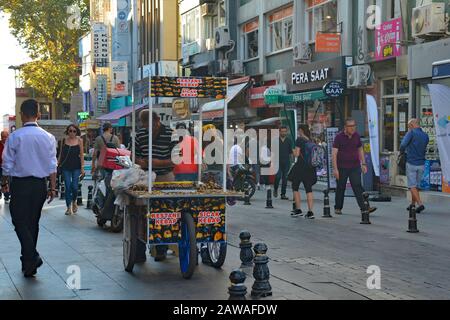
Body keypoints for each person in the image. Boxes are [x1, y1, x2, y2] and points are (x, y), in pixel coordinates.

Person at [1, 99, 57, 278]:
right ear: (38, 115)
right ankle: (29, 264)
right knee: (33, 222)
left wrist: (4, 183)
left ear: (22, 115)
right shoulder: (48, 137)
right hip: (40, 185)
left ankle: (32, 256)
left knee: (19, 221)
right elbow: (52, 165)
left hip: (20, 184)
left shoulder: (15, 137)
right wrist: (53, 188)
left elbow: (7, 164)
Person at [135, 110, 176, 262]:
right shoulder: (140, 135)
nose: (147, 127)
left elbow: (176, 158)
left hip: (165, 176)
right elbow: (135, 156)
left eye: (150, 124)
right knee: (141, 211)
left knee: (164, 212)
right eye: (144, 124)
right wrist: (141, 162)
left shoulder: (171, 133)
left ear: (157, 120)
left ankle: (161, 247)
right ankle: (139, 248)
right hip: (146, 178)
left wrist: (158, 163)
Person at [332, 118, 376, 215]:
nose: (352, 128)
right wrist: (335, 169)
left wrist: (363, 163)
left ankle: (365, 207)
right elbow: (334, 153)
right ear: (345, 127)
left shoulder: (356, 136)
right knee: (341, 187)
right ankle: (338, 207)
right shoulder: (339, 137)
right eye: (350, 126)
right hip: (342, 167)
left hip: (354, 166)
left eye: (354, 126)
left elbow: (360, 149)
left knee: (357, 186)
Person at [400, 119, 429, 214]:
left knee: (412, 185)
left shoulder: (411, 133)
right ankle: (412, 204)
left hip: (411, 162)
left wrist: (402, 152)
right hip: (421, 163)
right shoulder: (425, 135)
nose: (408, 128)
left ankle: (420, 204)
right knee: (416, 186)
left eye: (409, 126)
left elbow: (403, 144)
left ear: (412, 125)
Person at [291, 125, 318, 219]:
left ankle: (298, 210)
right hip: (310, 167)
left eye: (299, 130)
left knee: (295, 187)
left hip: (300, 167)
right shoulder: (311, 140)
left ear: (301, 130)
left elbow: (297, 154)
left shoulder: (299, 140)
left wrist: (292, 150)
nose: (298, 132)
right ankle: (310, 212)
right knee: (308, 189)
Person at [58, 124, 85, 215]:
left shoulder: (80, 140)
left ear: (76, 132)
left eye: (74, 131)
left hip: (76, 166)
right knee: (68, 186)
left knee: (74, 187)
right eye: (70, 131)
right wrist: (57, 164)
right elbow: (61, 154)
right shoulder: (64, 141)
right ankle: (68, 207)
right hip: (66, 166)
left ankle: (74, 201)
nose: (72, 133)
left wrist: (82, 167)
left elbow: (81, 155)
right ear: (67, 131)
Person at [274, 126, 293, 200]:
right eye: (282, 131)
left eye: (285, 131)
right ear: (279, 132)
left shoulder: (289, 140)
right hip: (277, 161)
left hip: (286, 162)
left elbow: (290, 152)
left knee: (285, 178)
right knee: (278, 176)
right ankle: (275, 189)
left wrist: (292, 162)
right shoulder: (275, 140)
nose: (283, 133)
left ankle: (283, 194)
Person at [0, 130, 10, 202]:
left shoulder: (10, 144)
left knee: (7, 181)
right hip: (0, 166)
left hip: (8, 167)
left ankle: (7, 196)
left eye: (5, 137)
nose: (4, 138)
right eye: (3, 137)